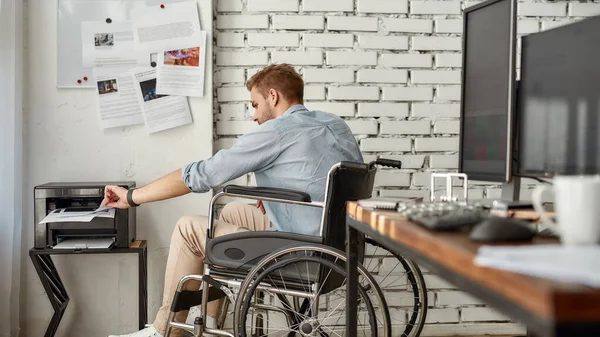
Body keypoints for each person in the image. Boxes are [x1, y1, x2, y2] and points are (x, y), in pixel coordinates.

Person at [106, 64, 363, 337]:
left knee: (187, 228)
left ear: (273, 97)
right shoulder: (335, 124)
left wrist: (132, 197)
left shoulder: (276, 132)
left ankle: (164, 331)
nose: (254, 116)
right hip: (339, 246)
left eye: (255, 104)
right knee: (232, 211)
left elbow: (201, 175)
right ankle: (211, 323)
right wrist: (276, 194)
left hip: (303, 253)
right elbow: (319, 179)